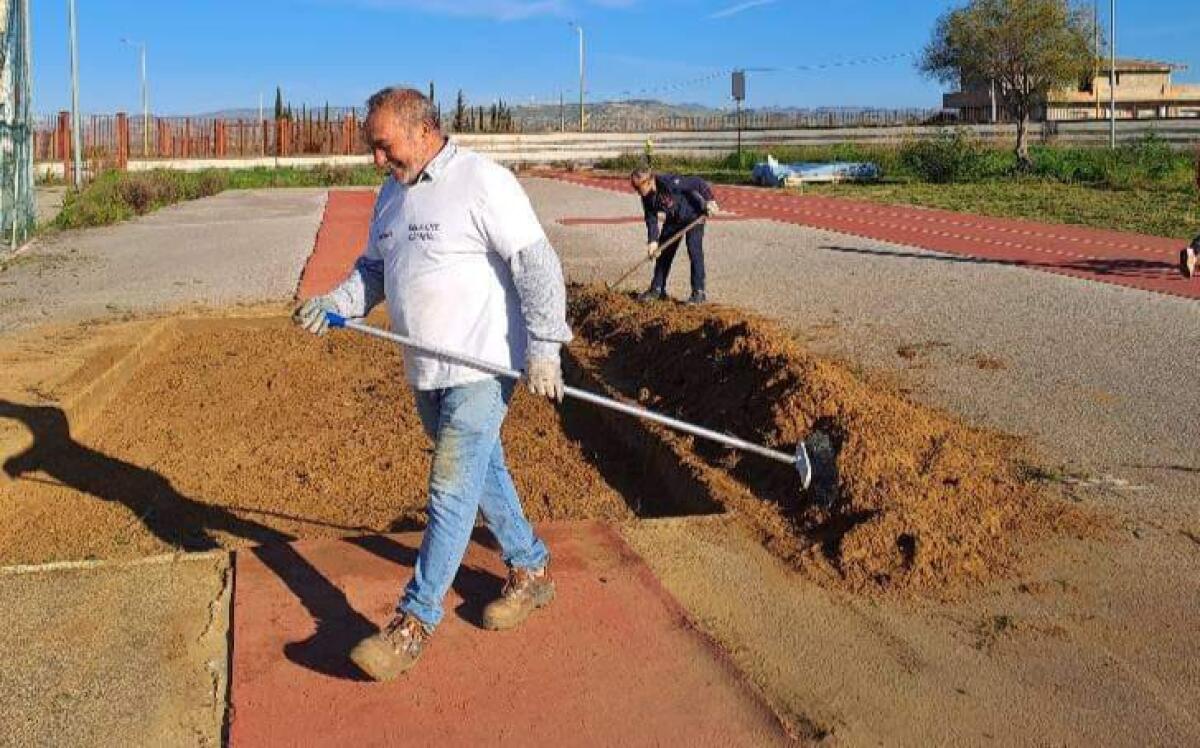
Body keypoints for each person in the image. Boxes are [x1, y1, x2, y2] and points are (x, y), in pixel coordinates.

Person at [293, 87, 572, 681]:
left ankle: (412, 624)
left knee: (449, 487)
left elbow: (537, 264)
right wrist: (336, 303)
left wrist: (546, 346)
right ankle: (531, 568)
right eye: (372, 148)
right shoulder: (391, 195)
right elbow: (374, 272)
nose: (376, 159)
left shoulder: (482, 181)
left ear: (422, 131)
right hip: (425, 368)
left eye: (383, 145)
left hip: (482, 365)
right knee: (482, 471)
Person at [630, 168, 719, 305]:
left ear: (649, 181)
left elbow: (697, 182)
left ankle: (698, 292)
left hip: (693, 215)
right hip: (674, 219)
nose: (637, 191)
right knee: (664, 252)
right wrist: (653, 241)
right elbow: (651, 219)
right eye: (634, 188)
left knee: (694, 251)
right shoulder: (646, 197)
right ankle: (657, 289)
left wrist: (710, 200)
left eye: (638, 187)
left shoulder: (669, 182)